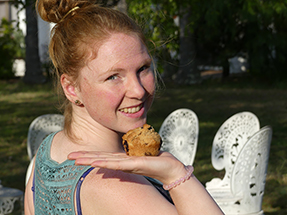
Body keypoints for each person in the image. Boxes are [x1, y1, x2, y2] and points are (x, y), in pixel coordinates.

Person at [24, 0, 224, 214]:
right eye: (113, 76)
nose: (138, 90)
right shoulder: (117, 186)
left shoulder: (48, 151)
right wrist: (177, 175)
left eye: (143, 68)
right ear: (72, 88)